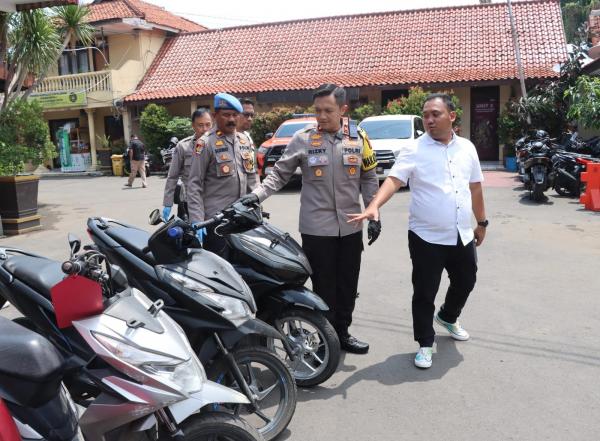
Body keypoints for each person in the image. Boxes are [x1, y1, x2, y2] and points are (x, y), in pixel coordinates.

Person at [238, 84, 380, 354]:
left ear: (343, 110)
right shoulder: (303, 139)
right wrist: (255, 197)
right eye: (318, 111)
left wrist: (374, 213)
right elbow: (278, 175)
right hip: (317, 229)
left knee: (348, 284)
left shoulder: (359, 137)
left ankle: (343, 333)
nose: (322, 116)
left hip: (351, 226)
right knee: (324, 287)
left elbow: (369, 177)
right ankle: (327, 339)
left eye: (328, 111)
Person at [348, 93, 487, 368]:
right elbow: (394, 180)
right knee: (424, 291)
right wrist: (374, 205)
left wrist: (482, 222)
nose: (430, 119)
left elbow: (475, 187)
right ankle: (425, 342)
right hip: (426, 237)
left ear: (452, 116)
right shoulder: (414, 149)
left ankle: (448, 316)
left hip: (461, 233)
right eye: (426, 115)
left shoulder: (467, 148)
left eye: (435, 114)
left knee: (466, 280)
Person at [187, 93, 258, 255]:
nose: (232, 119)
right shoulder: (204, 144)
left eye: (235, 115)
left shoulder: (245, 141)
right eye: (226, 115)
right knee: (221, 270)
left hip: (243, 218)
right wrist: (197, 220)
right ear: (215, 116)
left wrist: (257, 207)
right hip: (216, 222)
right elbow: (194, 185)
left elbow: (253, 178)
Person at [162, 108, 212, 221]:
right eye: (200, 125)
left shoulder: (220, 146)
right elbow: (172, 176)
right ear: (193, 126)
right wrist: (168, 203)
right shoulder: (183, 146)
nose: (205, 129)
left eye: (208, 125)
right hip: (190, 203)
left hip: (214, 203)